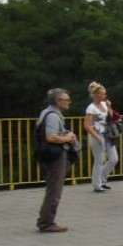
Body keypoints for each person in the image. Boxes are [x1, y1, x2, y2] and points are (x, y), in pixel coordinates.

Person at [35, 88, 78, 232]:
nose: (69, 102)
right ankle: (46, 222)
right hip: (55, 155)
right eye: (66, 100)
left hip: (49, 155)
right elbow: (51, 137)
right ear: (58, 101)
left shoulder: (47, 112)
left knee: (53, 188)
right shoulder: (53, 115)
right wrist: (68, 138)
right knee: (54, 190)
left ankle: (45, 220)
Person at [84, 82, 118, 193]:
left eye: (105, 94)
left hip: (108, 134)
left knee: (113, 159)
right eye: (103, 94)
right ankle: (97, 185)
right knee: (99, 160)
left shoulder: (104, 104)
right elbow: (87, 125)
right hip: (97, 135)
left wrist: (109, 106)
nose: (105, 96)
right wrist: (96, 136)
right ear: (97, 95)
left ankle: (102, 179)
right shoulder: (91, 108)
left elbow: (112, 117)